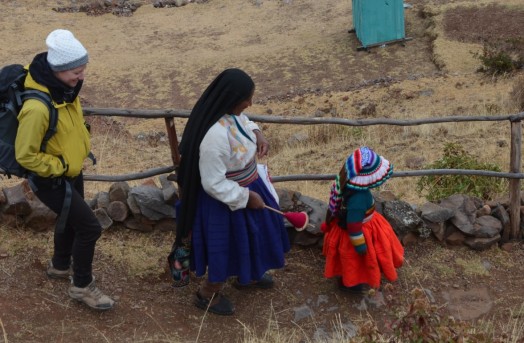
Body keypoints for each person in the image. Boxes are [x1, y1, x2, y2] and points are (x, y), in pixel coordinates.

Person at [170, 68, 290, 315]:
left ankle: (249, 275)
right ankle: (207, 294)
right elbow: (213, 183)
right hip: (224, 201)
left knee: (255, 235)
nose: (251, 103)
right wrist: (246, 198)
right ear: (232, 100)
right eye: (247, 99)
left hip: (248, 188)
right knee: (225, 247)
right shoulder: (213, 138)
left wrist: (258, 133)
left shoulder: (227, 114)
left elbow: (242, 121)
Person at [15, 29, 114, 310]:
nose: (82, 76)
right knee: (89, 227)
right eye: (77, 71)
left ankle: (60, 266)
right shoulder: (37, 107)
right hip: (51, 178)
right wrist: (58, 165)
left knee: (72, 220)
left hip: (70, 171)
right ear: (58, 69)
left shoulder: (65, 89)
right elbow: (26, 155)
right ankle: (82, 286)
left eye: (83, 69)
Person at [321, 147, 404, 293]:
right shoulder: (358, 199)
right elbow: (353, 226)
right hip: (360, 233)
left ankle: (351, 278)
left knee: (350, 260)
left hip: (363, 226)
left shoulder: (347, 184)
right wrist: (360, 246)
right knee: (354, 259)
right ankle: (352, 283)